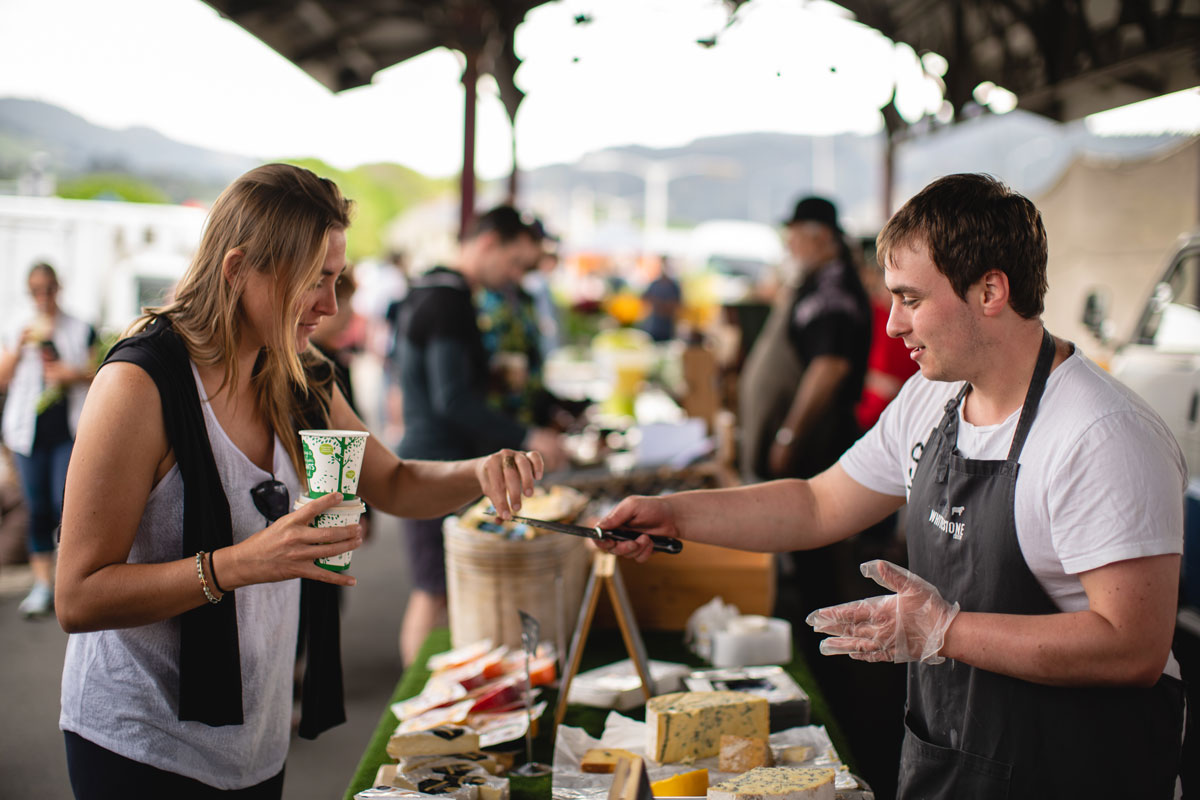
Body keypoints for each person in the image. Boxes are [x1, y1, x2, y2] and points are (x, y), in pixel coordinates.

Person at [598, 174, 1186, 798]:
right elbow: (817, 503)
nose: (893, 325)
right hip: (954, 762)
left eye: (910, 298)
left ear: (990, 290)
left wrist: (944, 632)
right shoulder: (931, 397)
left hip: (1076, 775)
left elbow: (1132, 647)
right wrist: (673, 515)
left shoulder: (1101, 433)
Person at [53, 164, 545, 799]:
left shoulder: (298, 370)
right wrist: (240, 563)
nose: (331, 306)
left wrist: (478, 472)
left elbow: (393, 482)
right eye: (314, 280)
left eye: (336, 279)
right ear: (236, 270)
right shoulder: (139, 385)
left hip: (253, 740)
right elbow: (79, 596)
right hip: (139, 741)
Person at [393, 205, 566, 666]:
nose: (514, 278)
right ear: (488, 243)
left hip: (439, 461)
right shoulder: (448, 300)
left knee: (445, 594)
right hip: (434, 465)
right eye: (515, 264)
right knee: (434, 594)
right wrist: (527, 433)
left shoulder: (434, 290)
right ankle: (413, 712)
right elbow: (451, 399)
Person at [738, 197, 871, 483]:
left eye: (794, 236)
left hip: (814, 445)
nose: (789, 245)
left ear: (821, 235)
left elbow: (829, 368)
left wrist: (789, 438)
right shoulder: (815, 282)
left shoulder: (833, 293)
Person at [0, 263, 98, 618]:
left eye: (48, 289)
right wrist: (18, 346)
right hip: (27, 434)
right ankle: (42, 585)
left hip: (67, 433)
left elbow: (95, 374)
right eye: (36, 290)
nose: (43, 296)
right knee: (37, 507)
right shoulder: (17, 327)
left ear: (58, 288)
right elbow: (2, 380)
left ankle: (66, 581)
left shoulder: (80, 327)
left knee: (65, 504)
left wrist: (72, 375)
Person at [640, 255, 683, 342]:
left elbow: (675, 306)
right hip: (653, 327)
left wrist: (658, 304)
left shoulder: (674, 286)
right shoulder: (655, 284)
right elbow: (644, 298)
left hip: (667, 329)